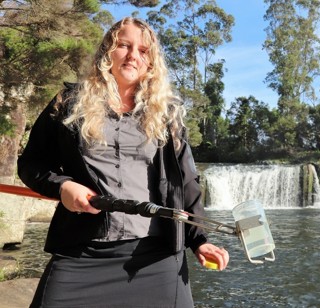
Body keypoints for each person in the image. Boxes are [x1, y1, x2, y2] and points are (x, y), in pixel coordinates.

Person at [17, 17, 229, 307]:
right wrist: (63, 186)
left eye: (143, 51)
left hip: (156, 255)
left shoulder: (167, 114)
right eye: (124, 45)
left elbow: (187, 181)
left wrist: (199, 239)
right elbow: (32, 163)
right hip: (82, 252)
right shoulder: (67, 103)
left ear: (152, 62)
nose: (133, 55)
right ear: (108, 51)